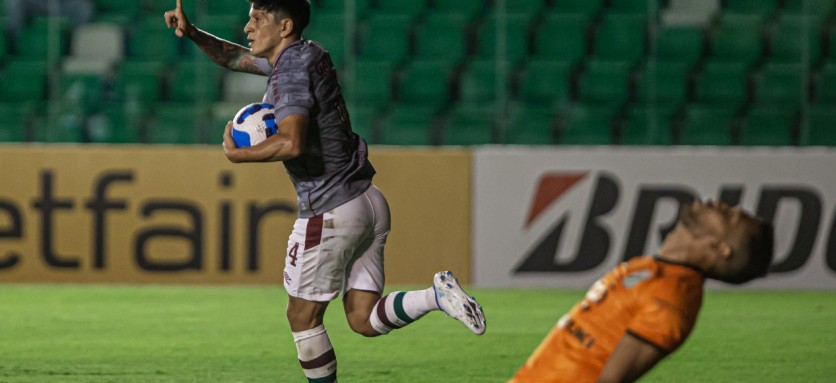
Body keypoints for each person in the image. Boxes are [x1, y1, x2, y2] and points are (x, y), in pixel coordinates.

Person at [163, 1, 486, 382]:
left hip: (330, 209)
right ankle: (436, 295)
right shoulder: (307, 53)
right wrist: (194, 33)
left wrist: (239, 154)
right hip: (367, 200)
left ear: (283, 27)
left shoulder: (290, 75)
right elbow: (235, 58)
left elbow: (291, 142)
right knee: (362, 319)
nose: (247, 26)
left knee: (301, 317)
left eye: (256, 19)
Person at [508, 200, 774, 383]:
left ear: (720, 248)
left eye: (727, 215)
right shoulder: (658, 271)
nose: (718, 204)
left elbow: (611, 379)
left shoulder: (671, 299)